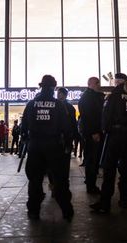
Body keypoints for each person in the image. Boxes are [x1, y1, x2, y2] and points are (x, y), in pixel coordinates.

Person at [21, 74, 74, 221]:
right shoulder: (58, 105)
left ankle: (33, 211)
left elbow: (23, 128)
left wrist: (26, 141)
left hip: (35, 146)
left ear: (41, 87)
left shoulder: (31, 104)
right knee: (60, 180)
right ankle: (66, 210)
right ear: (53, 88)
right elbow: (66, 128)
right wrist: (68, 145)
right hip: (54, 146)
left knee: (35, 180)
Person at [90, 73, 127, 213]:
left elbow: (106, 117)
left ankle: (105, 202)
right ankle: (125, 200)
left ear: (118, 82)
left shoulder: (112, 97)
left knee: (109, 169)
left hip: (115, 136)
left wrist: (106, 131)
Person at [78, 77, 105, 194]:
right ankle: (91, 186)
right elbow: (88, 116)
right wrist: (94, 132)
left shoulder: (94, 96)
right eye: (97, 83)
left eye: (99, 82)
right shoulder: (88, 97)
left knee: (93, 160)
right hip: (93, 134)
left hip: (95, 132)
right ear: (89, 84)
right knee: (92, 160)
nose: (99, 84)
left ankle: (91, 184)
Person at [57, 87, 78, 175]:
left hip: (64, 137)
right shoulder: (69, 107)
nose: (57, 95)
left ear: (64, 95)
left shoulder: (67, 107)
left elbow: (73, 122)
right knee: (64, 158)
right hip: (64, 137)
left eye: (59, 93)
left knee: (63, 157)